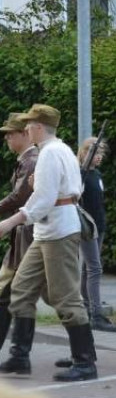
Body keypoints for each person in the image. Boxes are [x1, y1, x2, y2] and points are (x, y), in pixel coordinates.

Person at [0, 104, 98, 382]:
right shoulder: (61, 151)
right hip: (48, 231)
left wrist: (9, 222)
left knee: (65, 297)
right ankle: (20, 356)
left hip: (59, 231)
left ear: (39, 127)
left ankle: (85, 362)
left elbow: (43, 200)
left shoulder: (51, 153)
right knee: (20, 290)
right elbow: (75, 188)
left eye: (29, 125)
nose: (26, 129)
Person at [0, 114, 38, 350]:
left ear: (25, 134)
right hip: (25, 236)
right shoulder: (27, 159)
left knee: (60, 297)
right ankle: (19, 353)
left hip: (29, 236)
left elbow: (20, 196)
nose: (6, 138)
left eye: (10, 134)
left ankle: (19, 353)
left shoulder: (31, 160)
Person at [76, 138, 116, 333]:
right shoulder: (80, 174)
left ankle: (87, 308)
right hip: (87, 226)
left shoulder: (97, 174)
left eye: (100, 152)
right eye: (94, 152)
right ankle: (96, 313)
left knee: (88, 268)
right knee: (95, 268)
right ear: (84, 153)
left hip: (99, 225)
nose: (99, 156)